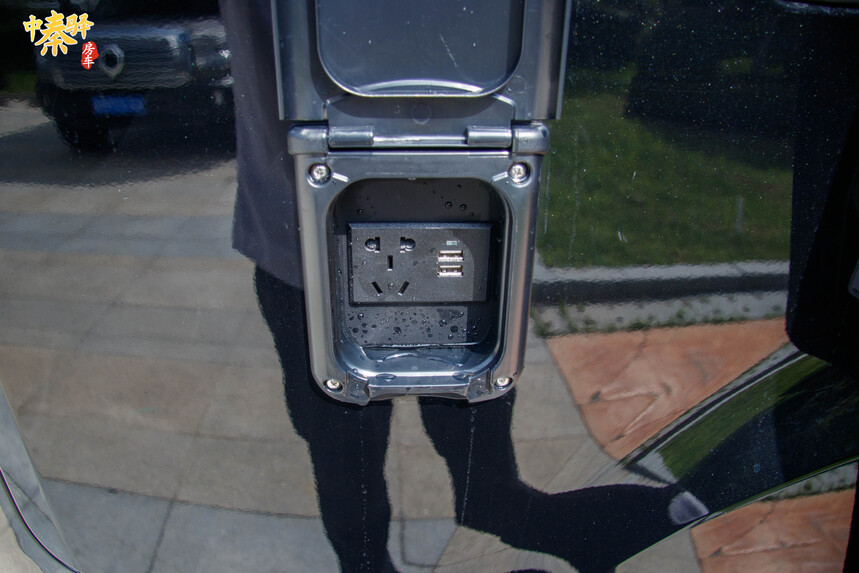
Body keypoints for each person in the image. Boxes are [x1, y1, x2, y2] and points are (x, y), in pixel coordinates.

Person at [220, 2, 698, 571]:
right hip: (300, 241)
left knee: (477, 475)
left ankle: (517, 520)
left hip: (468, 236)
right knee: (347, 473)